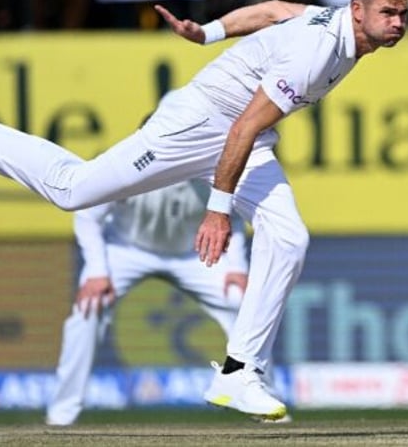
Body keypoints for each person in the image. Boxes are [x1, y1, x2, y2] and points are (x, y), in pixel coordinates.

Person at [0, 0, 408, 421]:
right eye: (388, 12)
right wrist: (218, 212)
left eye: (403, 14)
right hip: (199, 126)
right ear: (357, 9)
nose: (398, 23)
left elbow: (274, 9)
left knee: (290, 237)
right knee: (73, 189)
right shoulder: (318, 51)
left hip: (237, 136)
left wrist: (206, 33)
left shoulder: (334, 25)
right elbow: (243, 128)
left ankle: (237, 373)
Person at [46, 177, 253, 426]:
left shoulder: (210, 167)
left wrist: (237, 266)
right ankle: (61, 414)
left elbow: (234, 215)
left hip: (195, 253)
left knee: (242, 304)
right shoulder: (132, 162)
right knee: (89, 308)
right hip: (126, 248)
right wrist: (97, 270)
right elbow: (88, 214)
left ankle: (266, 404)